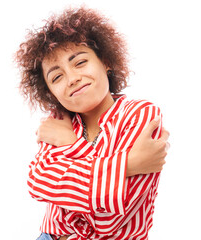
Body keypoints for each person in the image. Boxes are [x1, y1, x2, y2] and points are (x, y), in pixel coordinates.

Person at [15, 6, 170, 240]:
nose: (72, 79)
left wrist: (70, 144)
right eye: (57, 76)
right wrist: (127, 165)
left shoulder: (140, 115)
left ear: (105, 62)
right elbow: (39, 181)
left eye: (79, 62)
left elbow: (107, 222)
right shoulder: (58, 120)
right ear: (51, 93)